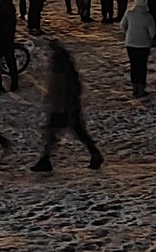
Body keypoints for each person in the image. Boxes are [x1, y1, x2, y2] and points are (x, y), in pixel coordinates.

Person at [32, 41, 104, 172]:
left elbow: (58, 92)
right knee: (77, 132)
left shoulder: (59, 73)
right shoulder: (68, 71)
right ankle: (94, 153)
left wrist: (55, 106)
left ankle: (45, 160)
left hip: (61, 108)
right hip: (68, 106)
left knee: (52, 134)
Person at [122, 0, 156, 94]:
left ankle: (134, 87)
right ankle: (141, 88)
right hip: (143, 44)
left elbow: (122, 26)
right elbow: (152, 32)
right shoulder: (148, 16)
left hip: (131, 43)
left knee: (134, 65)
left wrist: (128, 32)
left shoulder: (129, 13)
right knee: (142, 66)